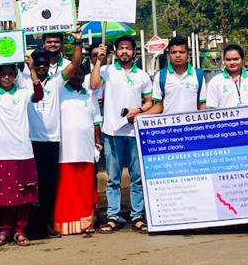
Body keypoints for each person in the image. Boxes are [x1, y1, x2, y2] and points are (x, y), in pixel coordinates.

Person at [0, 55, 43, 244]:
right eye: (3, 74)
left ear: (15, 76)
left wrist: (32, 69)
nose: (6, 77)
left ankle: (20, 230)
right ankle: (4, 230)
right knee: (1, 195)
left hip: (22, 151)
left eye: (10, 74)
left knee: (24, 195)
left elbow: (39, 95)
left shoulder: (23, 93)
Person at [90, 35, 154, 232]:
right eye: (121, 48)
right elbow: (94, 85)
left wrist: (139, 110)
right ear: (115, 51)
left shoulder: (142, 75)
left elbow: (150, 101)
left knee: (137, 177)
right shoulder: (107, 71)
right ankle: (113, 216)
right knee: (113, 179)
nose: (124, 51)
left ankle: (137, 216)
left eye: (128, 48)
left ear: (134, 52)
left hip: (134, 132)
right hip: (111, 131)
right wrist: (99, 61)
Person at [28, 36, 84, 239]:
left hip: (51, 141)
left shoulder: (57, 81)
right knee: (31, 185)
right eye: (38, 63)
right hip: (30, 141)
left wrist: (78, 43)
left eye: (45, 63)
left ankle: (48, 223)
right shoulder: (24, 81)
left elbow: (76, 64)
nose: (42, 66)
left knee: (49, 186)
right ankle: (30, 226)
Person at [52, 60, 102, 236]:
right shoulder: (59, 92)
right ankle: (65, 224)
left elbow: (96, 121)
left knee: (85, 187)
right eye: (74, 73)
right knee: (67, 189)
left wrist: (97, 143)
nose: (77, 76)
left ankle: (86, 222)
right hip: (65, 150)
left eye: (81, 74)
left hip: (86, 149)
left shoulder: (89, 94)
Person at [150, 35, 207, 115]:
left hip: (192, 122)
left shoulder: (198, 75)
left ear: (188, 54)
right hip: (169, 122)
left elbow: (202, 105)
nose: (178, 55)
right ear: (169, 54)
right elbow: (158, 106)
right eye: (174, 52)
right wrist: (140, 116)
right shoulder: (160, 76)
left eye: (181, 52)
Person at [204, 43, 248, 110]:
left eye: (236, 59)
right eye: (228, 60)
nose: (232, 63)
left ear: (242, 60)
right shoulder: (215, 82)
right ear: (224, 61)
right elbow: (211, 108)